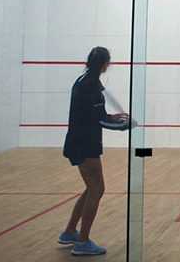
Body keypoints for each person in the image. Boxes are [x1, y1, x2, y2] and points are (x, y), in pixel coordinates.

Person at [59, 47, 130, 256]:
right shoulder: (92, 86)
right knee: (97, 190)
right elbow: (99, 119)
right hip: (84, 145)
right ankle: (82, 243)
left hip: (78, 142)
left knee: (91, 188)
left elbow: (94, 113)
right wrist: (126, 125)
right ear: (106, 64)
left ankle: (70, 232)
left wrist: (111, 116)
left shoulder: (84, 81)